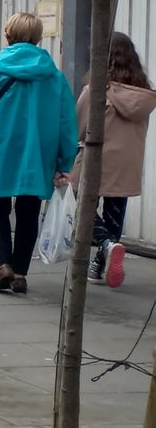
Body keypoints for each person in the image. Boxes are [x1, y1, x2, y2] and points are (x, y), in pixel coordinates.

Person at [0, 11, 78, 295]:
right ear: (39, 39)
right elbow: (67, 123)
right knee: (29, 212)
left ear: (7, 35)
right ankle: (20, 273)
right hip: (39, 153)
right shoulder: (55, 77)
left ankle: (3, 263)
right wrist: (64, 162)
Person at [81, 33, 156, 288]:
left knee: (83, 207)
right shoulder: (144, 95)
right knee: (115, 212)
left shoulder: (96, 91)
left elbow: (78, 129)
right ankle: (100, 265)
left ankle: (106, 244)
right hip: (128, 163)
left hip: (97, 160)